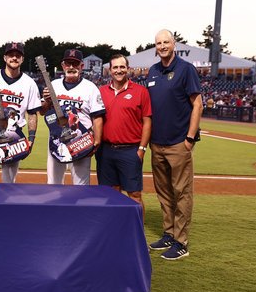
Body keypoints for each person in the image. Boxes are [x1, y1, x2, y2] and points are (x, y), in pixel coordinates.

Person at [146, 29, 203, 260]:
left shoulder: (186, 69)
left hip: (179, 143)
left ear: (174, 44)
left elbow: (197, 104)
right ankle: (169, 234)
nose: (162, 46)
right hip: (157, 143)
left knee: (182, 192)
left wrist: (190, 138)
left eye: (166, 42)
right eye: (159, 43)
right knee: (164, 192)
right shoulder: (152, 71)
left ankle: (181, 242)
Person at [96, 54, 151, 220]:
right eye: (115, 67)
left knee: (134, 195)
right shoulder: (101, 92)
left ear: (128, 69)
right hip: (106, 151)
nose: (119, 70)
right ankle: (115, 230)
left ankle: (137, 234)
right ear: (110, 70)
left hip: (130, 150)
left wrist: (142, 149)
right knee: (111, 194)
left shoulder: (141, 91)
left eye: (122, 67)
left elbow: (147, 122)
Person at [0, 42, 41, 183]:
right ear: (5, 58)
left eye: (18, 55)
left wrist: (31, 139)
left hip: (15, 137)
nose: (14, 58)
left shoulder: (29, 83)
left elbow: (32, 114)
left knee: (9, 182)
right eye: (11, 55)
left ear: (22, 59)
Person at [40, 49, 105, 185]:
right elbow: (43, 112)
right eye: (68, 63)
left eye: (75, 64)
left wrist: (97, 141)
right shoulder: (54, 85)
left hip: (81, 139)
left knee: (81, 184)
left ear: (81, 66)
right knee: (53, 183)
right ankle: (56, 206)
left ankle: (80, 207)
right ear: (63, 65)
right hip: (56, 139)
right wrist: (46, 101)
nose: (71, 67)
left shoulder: (91, 88)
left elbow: (98, 117)